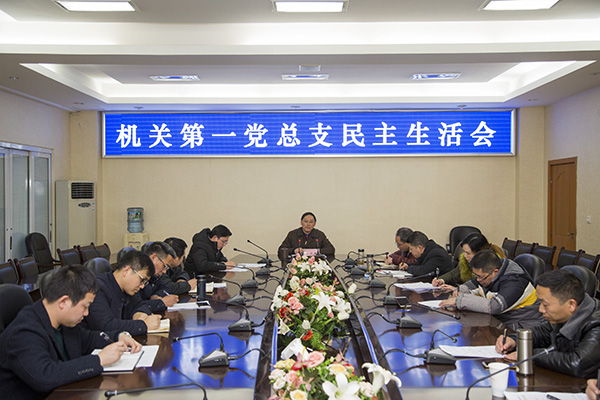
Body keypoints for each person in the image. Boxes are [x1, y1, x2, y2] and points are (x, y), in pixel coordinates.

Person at [0, 265, 142, 399]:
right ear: (64, 302)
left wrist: (118, 336)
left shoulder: (64, 322)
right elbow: (46, 376)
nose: (87, 313)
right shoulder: (24, 331)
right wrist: (99, 360)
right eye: (85, 306)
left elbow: (88, 339)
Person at [495, 269, 600, 378]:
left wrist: (528, 354)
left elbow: (577, 364)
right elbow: (539, 333)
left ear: (571, 305)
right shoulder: (562, 315)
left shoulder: (596, 324)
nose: (541, 309)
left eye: (545, 304)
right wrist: (514, 340)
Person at [441, 249, 544, 330]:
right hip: (502, 322)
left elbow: (495, 306)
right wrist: (459, 291)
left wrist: (459, 300)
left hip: (523, 326)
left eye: (481, 277)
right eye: (476, 275)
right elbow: (471, 284)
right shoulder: (489, 275)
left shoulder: (515, 281)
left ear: (495, 272)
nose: (478, 279)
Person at [83, 249, 162, 335]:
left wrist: (139, 314)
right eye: (142, 280)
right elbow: (106, 326)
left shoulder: (126, 288)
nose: (142, 286)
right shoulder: (98, 289)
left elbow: (141, 304)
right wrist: (144, 325)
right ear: (126, 271)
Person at [432, 233, 505, 287]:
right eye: (464, 252)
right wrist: (441, 280)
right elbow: (454, 274)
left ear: (479, 253)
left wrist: (457, 290)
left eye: (468, 253)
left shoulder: (492, 265)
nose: (465, 255)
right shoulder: (465, 261)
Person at [139, 241, 179, 311]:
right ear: (153, 257)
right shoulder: (137, 275)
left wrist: (155, 296)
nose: (164, 271)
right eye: (164, 266)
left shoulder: (154, 276)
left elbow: (165, 287)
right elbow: (135, 306)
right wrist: (161, 303)